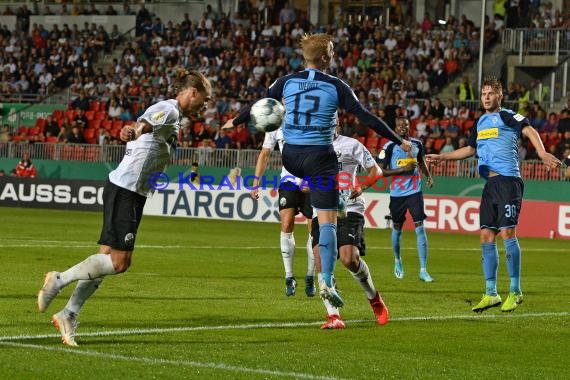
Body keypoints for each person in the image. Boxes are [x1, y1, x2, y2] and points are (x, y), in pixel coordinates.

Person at [224, 33, 410, 309]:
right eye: (332, 51)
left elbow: (260, 106)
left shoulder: (285, 81)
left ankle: (316, 273)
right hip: (319, 158)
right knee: (328, 222)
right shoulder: (336, 86)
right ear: (325, 57)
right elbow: (368, 118)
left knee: (317, 211)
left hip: (290, 158)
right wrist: (398, 139)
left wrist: (235, 121)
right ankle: (327, 281)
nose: (334, 54)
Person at [37, 69, 212, 346]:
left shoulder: (175, 116)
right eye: (205, 98)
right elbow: (145, 125)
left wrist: (137, 131)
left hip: (130, 191)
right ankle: (58, 279)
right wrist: (134, 130)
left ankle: (69, 313)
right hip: (126, 190)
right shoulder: (169, 110)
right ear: (192, 92)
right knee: (120, 263)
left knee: (104, 260)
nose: (205, 105)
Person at [426, 76, 561, 313]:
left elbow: (528, 129)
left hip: (508, 181)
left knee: (508, 232)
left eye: (491, 93)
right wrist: (441, 156)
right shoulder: (479, 123)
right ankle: (491, 293)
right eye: (484, 93)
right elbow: (470, 149)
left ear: (499, 96)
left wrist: (541, 152)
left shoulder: (507, 115)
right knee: (486, 236)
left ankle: (516, 291)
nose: (486, 97)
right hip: (489, 185)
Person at [312, 127, 389, 329]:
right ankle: (333, 316)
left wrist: (361, 187)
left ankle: (374, 298)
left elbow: (376, 171)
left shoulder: (352, 144)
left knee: (349, 258)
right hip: (321, 207)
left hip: (349, 207)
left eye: (333, 118)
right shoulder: (311, 145)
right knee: (320, 258)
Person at [251, 127, 315, 297]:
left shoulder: (309, 119)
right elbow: (264, 154)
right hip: (288, 181)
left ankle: (310, 276)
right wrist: (255, 182)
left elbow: (318, 153)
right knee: (286, 224)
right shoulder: (275, 125)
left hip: (312, 181)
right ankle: (289, 277)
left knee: (314, 230)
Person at [378, 117, 434, 282]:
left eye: (405, 125)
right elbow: (381, 172)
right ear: (395, 128)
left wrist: (428, 176)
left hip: (415, 192)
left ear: (410, 127)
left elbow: (421, 160)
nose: (403, 127)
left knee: (420, 228)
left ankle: (423, 270)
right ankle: (397, 259)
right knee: (397, 229)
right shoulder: (388, 146)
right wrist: (403, 169)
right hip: (397, 195)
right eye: (400, 125)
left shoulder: (417, 144)